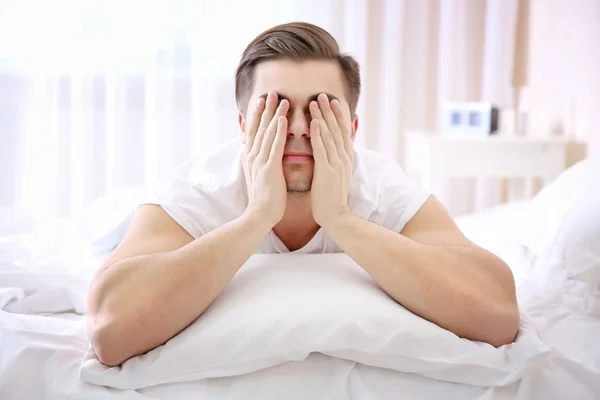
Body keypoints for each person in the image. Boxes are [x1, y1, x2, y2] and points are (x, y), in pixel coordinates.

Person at [87, 22, 520, 367]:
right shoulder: (197, 189)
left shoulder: (383, 187)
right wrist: (257, 216)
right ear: (243, 127)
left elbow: (498, 314)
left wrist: (340, 218)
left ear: (351, 129)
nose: (296, 126)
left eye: (320, 109)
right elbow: (110, 329)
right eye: (275, 107)